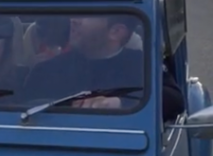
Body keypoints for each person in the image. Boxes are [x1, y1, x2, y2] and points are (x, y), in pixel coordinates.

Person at [24, 15, 184, 121]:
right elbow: (22, 111)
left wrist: (119, 103)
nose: (73, 20)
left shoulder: (141, 64)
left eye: (86, 14)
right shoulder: (46, 70)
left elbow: (174, 100)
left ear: (116, 32)